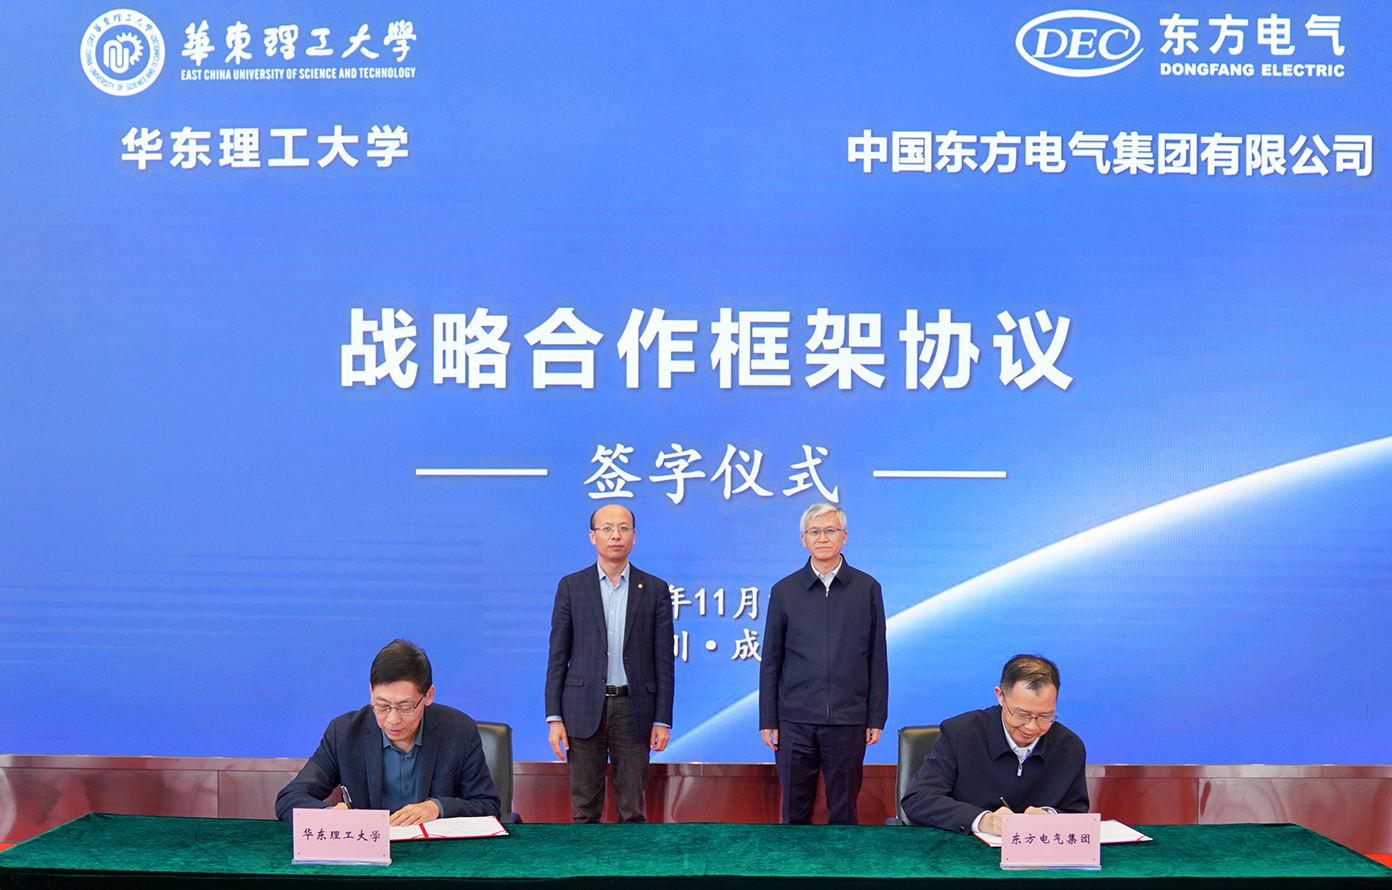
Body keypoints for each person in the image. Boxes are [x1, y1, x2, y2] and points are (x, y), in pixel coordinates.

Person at [275, 639, 501, 825]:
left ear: (428, 696)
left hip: (437, 854)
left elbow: (488, 807)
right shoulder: (343, 734)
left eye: (405, 707)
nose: (392, 719)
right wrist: (329, 815)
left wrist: (438, 807)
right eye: (382, 706)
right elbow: (290, 798)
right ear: (371, 692)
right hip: (369, 853)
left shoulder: (459, 731)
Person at [759, 502, 888, 824]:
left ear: (844, 536)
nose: (822, 538)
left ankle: (842, 859)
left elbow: (877, 656)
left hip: (848, 720)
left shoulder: (867, 588)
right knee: (794, 812)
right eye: (814, 531)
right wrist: (768, 719)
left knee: (844, 813)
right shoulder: (785, 590)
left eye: (830, 530)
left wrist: (876, 716)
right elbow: (771, 660)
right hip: (794, 721)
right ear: (803, 539)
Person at [545, 504, 675, 822]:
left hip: (634, 710)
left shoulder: (654, 589)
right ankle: (585, 858)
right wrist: (554, 717)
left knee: (632, 809)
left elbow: (664, 661)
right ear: (593, 536)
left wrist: (662, 719)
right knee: (584, 809)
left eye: (623, 528)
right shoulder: (571, 586)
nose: (615, 535)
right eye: (607, 528)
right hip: (581, 709)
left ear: (634, 536)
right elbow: (558, 656)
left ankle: (632, 858)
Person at [899, 654, 1088, 834]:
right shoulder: (960, 733)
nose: (1031, 726)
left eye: (1045, 716)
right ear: (1000, 696)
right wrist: (982, 820)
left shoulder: (1070, 747)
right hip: (965, 849)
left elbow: (1077, 814)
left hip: (1036, 852)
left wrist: (1051, 817)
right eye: (1021, 714)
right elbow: (918, 799)